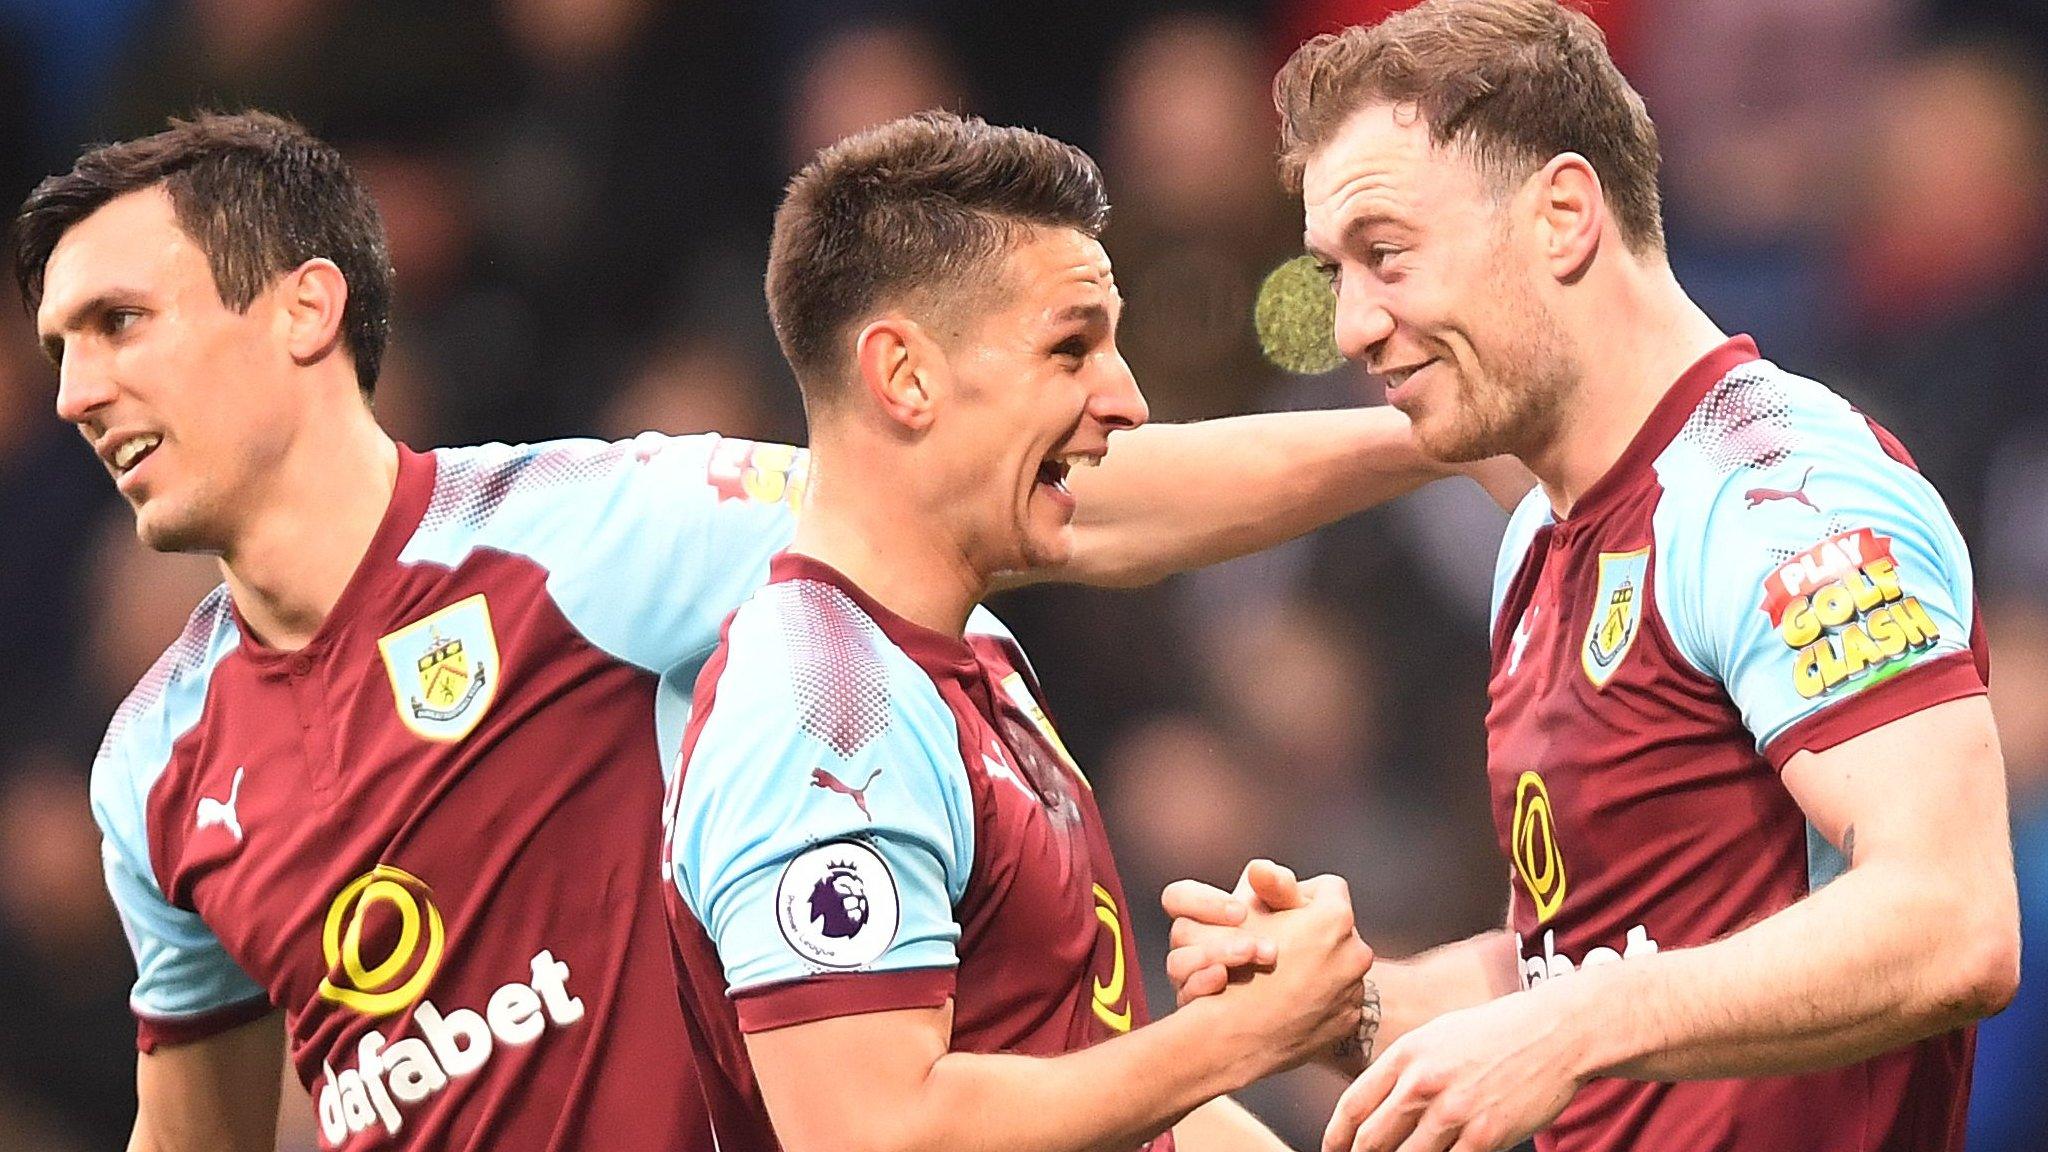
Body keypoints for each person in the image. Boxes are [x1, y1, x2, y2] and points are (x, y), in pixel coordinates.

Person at [15, 111, 1483, 1151]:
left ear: (303, 309)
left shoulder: (596, 536)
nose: (79, 390)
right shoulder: (154, 759)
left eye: (120, 322)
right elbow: (195, 1134)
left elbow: (1046, 498)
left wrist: (1431, 437)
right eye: (61, 349)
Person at [1162, 3, 2021, 1151]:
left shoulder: (1780, 499)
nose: (1352, 324)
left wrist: (1575, 1027)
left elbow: (1951, 922)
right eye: (1332, 271)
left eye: (1385, 253)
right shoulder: (1543, 535)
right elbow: (1585, 958)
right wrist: (1349, 1005)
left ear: (1563, 215)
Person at [662, 111, 1377, 1152]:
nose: (1124, 400)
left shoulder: (968, 660)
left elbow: (1079, 1075)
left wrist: (1256, 1033)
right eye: (1070, 348)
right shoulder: (821, 709)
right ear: (903, 376)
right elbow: (872, 1133)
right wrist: (1238, 1038)